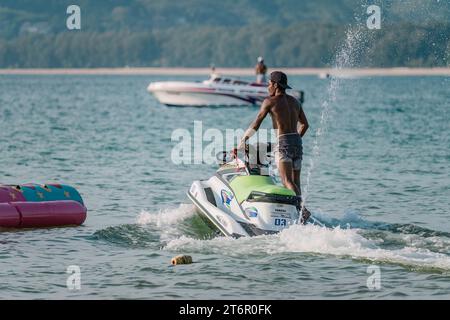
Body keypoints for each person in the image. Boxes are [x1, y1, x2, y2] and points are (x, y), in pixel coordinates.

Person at [238, 71, 311, 224]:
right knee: (296, 182)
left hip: (283, 142)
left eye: (269, 83)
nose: (268, 86)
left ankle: (302, 210)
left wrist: (243, 140)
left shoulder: (269, 102)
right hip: (297, 142)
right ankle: (299, 213)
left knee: (286, 180)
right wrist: (295, 139)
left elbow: (256, 123)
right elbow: (305, 124)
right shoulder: (295, 101)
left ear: (276, 85)